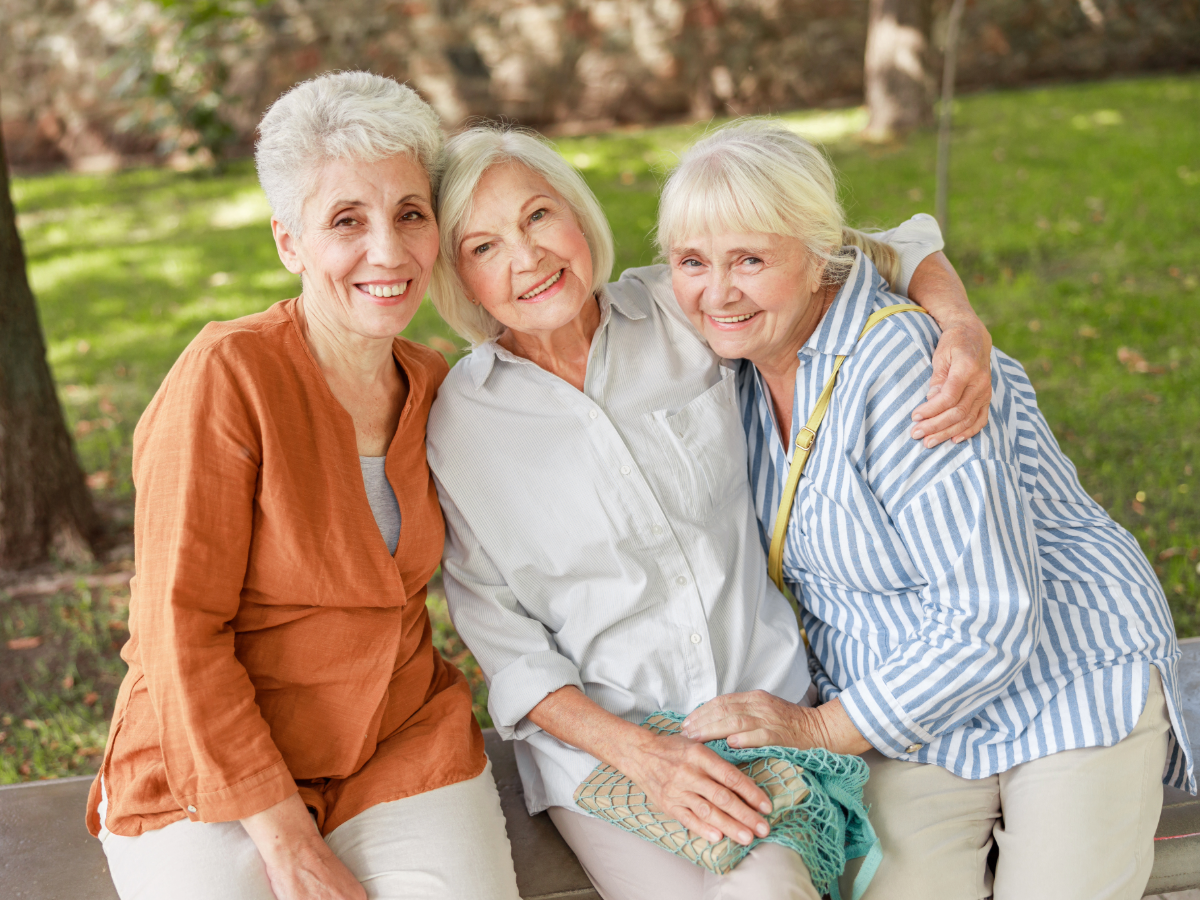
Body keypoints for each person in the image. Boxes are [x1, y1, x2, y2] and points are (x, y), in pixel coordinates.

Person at [424, 124, 992, 900]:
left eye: (537, 217)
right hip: (608, 755)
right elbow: (506, 643)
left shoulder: (689, 303)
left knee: (767, 891)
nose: (528, 258)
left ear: (578, 215)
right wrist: (640, 755)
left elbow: (884, 246)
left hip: (766, 718)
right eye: (483, 247)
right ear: (458, 277)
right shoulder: (460, 424)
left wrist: (959, 324)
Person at [669, 121, 1196, 900]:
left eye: (751, 259)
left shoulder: (905, 363)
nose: (718, 291)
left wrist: (818, 728)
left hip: (1063, 669)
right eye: (692, 263)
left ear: (820, 256)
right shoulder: (742, 355)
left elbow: (990, 614)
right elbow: (900, 237)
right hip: (909, 701)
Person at [85, 72, 520, 900]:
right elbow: (179, 633)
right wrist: (285, 839)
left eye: (410, 214)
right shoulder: (228, 375)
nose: (388, 253)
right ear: (289, 242)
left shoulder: (438, 387)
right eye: (346, 221)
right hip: (209, 761)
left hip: (395, 740)